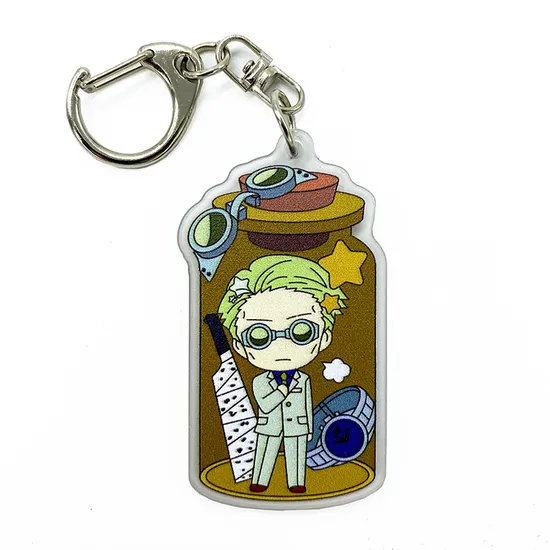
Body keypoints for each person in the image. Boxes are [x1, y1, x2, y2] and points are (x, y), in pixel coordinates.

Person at [218, 255, 346, 493]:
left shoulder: (303, 379)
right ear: (240, 347)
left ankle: (296, 483)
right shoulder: (260, 380)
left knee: (296, 453)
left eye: (301, 331)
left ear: (324, 337)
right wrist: (282, 390)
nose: (281, 345)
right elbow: (265, 404)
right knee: (265, 452)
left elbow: (306, 403)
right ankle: (259, 481)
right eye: (259, 336)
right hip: (269, 426)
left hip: (297, 425)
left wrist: (308, 428)